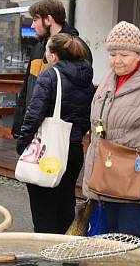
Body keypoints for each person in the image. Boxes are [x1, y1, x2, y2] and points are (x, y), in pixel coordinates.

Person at [82, 22, 140, 247]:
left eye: (124, 54)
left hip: (135, 176)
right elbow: (97, 127)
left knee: (129, 239)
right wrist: (90, 176)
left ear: (139, 54)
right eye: (112, 54)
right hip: (106, 174)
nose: (117, 60)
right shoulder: (108, 79)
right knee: (105, 239)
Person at [16, 33, 94, 234]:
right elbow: (88, 118)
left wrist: (22, 145)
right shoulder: (87, 79)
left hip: (48, 153)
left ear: (54, 56)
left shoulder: (50, 76)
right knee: (64, 206)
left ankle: (46, 261)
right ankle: (65, 258)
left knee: (43, 213)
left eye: (47, 51)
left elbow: (33, 116)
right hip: (73, 150)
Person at [12, 0, 92, 139]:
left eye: (35, 19)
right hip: (35, 131)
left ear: (48, 19)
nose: (32, 25)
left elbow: (81, 95)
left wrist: (74, 133)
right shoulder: (38, 47)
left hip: (61, 135)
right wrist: (20, 124)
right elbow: (27, 87)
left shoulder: (75, 47)